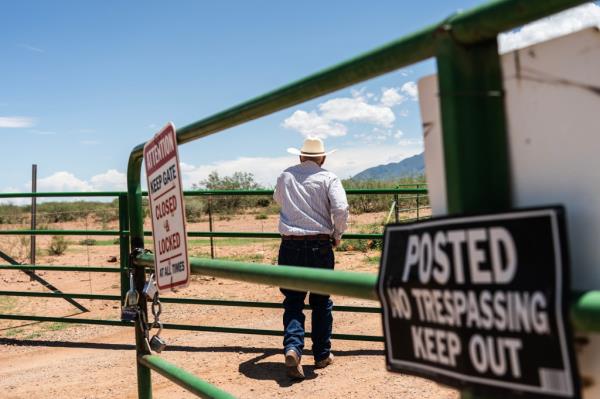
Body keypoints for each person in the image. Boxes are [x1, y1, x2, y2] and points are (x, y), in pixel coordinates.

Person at [273, 136, 349, 380]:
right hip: (320, 245)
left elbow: (278, 199)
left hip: (290, 245)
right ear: (323, 158)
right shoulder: (329, 177)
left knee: (293, 301)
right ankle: (321, 354)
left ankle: (293, 348)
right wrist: (337, 234)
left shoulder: (285, 176)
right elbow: (341, 208)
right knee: (321, 300)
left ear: (300, 156)